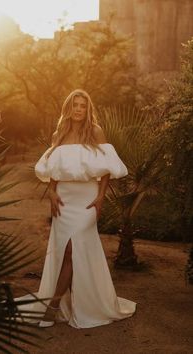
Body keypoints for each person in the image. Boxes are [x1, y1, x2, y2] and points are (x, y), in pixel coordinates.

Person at [18, 89, 136, 329]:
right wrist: (51, 192)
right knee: (66, 251)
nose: (79, 109)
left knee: (73, 249)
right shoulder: (58, 134)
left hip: (87, 198)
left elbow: (105, 168)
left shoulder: (95, 131)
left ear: (87, 108)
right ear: (68, 108)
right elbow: (54, 168)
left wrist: (101, 197)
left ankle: (53, 306)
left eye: (83, 105)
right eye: (75, 105)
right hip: (64, 198)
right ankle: (67, 302)